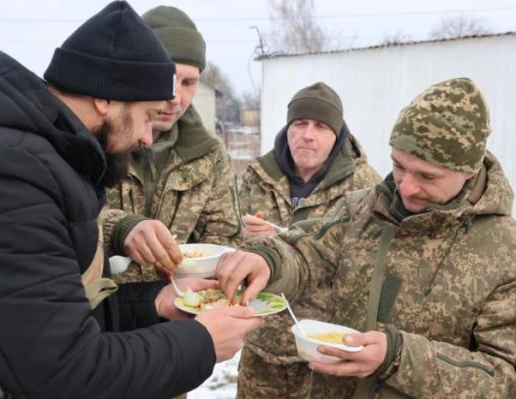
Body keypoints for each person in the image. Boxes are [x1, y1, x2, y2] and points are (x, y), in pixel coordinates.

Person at [0, 2, 261, 398]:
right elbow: (65, 372)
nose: (148, 138)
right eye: (148, 116)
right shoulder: (6, 173)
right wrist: (201, 343)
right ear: (105, 98)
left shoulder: (36, 160)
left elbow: (51, 310)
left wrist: (156, 304)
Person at [216, 78, 516, 398]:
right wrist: (269, 259)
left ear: (469, 170)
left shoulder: (504, 250)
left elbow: (505, 377)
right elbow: (308, 251)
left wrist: (397, 357)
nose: (406, 187)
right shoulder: (363, 209)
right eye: (399, 166)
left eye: (427, 176)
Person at [237, 82, 380, 398]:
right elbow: (228, 242)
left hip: (325, 352)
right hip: (261, 347)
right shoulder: (257, 176)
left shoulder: (365, 185)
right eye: (300, 124)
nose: (308, 134)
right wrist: (243, 239)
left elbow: (369, 265)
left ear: (338, 134)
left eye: (320, 126)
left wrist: (284, 241)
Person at [101, 5, 241, 284]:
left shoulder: (209, 154)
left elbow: (225, 237)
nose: (176, 97)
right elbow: (65, 220)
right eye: (168, 78)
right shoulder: (98, 138)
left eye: (189, 82)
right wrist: (119, 228)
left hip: (179, 312)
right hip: (100, 314)